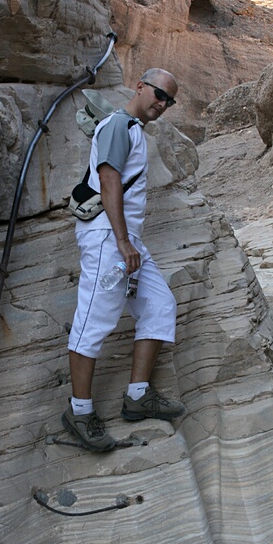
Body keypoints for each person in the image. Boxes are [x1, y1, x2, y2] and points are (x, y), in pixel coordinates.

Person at [62, 69, 186, 452]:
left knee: (160, 305)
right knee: (93, 321)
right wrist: (121, 240)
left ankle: (137, 397)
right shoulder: (119, 125)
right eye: (158, 94)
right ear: (140, 86)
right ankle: (79, 412)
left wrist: (128, 241)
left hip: (125, 241)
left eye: (169, 100)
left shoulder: (132, 128)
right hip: (108, 240)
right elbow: (109, 179)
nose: (162, 103)